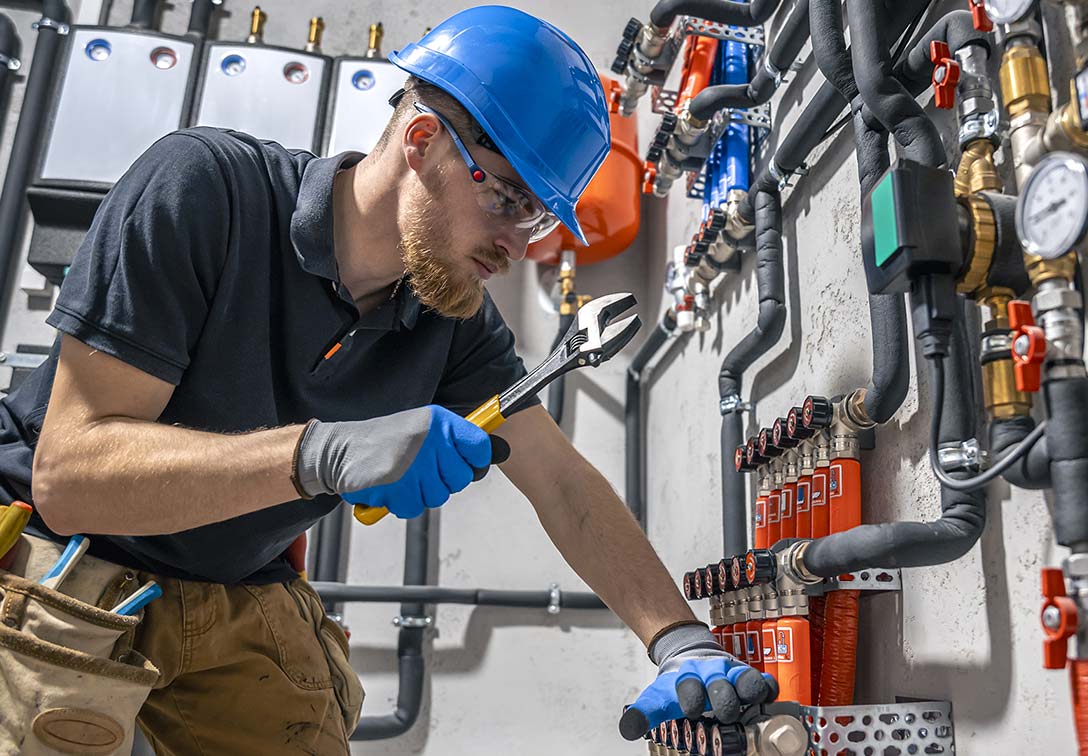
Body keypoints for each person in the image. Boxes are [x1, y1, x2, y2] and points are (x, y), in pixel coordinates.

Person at [0, 7, 768, 754]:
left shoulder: (449, 319)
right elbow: (71, 477)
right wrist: (321, 455)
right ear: (423, 140)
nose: (512, 243)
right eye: (506, 200)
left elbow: (562, 482)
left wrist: (680, 641)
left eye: (535, 218)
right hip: (58, 555)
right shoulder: (206, 190)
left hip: (230, 582)